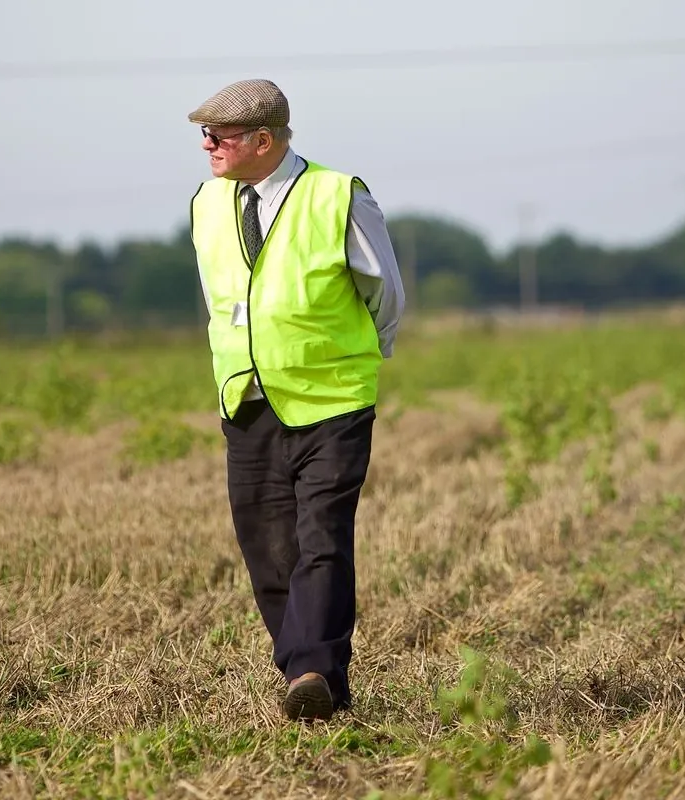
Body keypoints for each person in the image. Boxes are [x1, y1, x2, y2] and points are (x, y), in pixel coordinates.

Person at [186, 78, 405, 722]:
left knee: (322, 538)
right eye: (204, 134)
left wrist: (355, 356)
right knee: (267, 548)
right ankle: (315, 682)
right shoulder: (206, 203)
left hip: (332, 400)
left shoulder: (338, 196)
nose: (207, 145)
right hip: (247, 399)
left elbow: (384, 291)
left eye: (218, 135)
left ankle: (311, 668)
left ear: (263, 140)